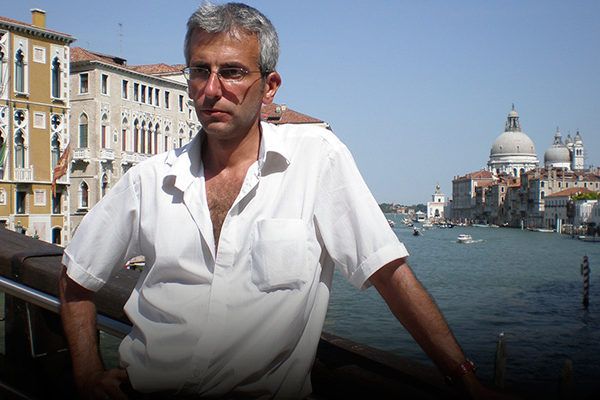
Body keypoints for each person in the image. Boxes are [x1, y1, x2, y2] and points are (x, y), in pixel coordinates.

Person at [59, 2, 492, 399]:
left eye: (232, 72)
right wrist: (87, 373)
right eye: (200, 71)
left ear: (269, 87)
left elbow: (388, 273)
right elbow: (75, 278)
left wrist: (465, 379)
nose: (211, 89)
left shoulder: (316, 160)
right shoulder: (149, 180)